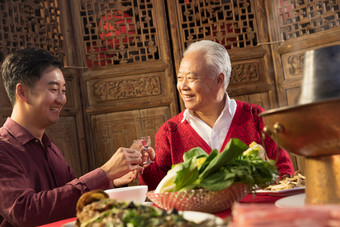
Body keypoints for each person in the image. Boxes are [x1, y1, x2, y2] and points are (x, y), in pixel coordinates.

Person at [0, 48, 145, 227]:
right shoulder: (3, 149)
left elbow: (69, 202)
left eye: (63, 90)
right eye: (54, 89)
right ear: (22, 92)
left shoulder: (51, 148)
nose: (62, 99)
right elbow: (25, 212)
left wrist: (112, 180)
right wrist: (104, 173)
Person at [139, 40, 295, 190]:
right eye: (180, 78)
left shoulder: (255, 118)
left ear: (219, 79)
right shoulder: (170, 132)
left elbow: (284, 172)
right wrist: (144, 165)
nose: (183, 86)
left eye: (191, 78)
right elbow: (158, 189)